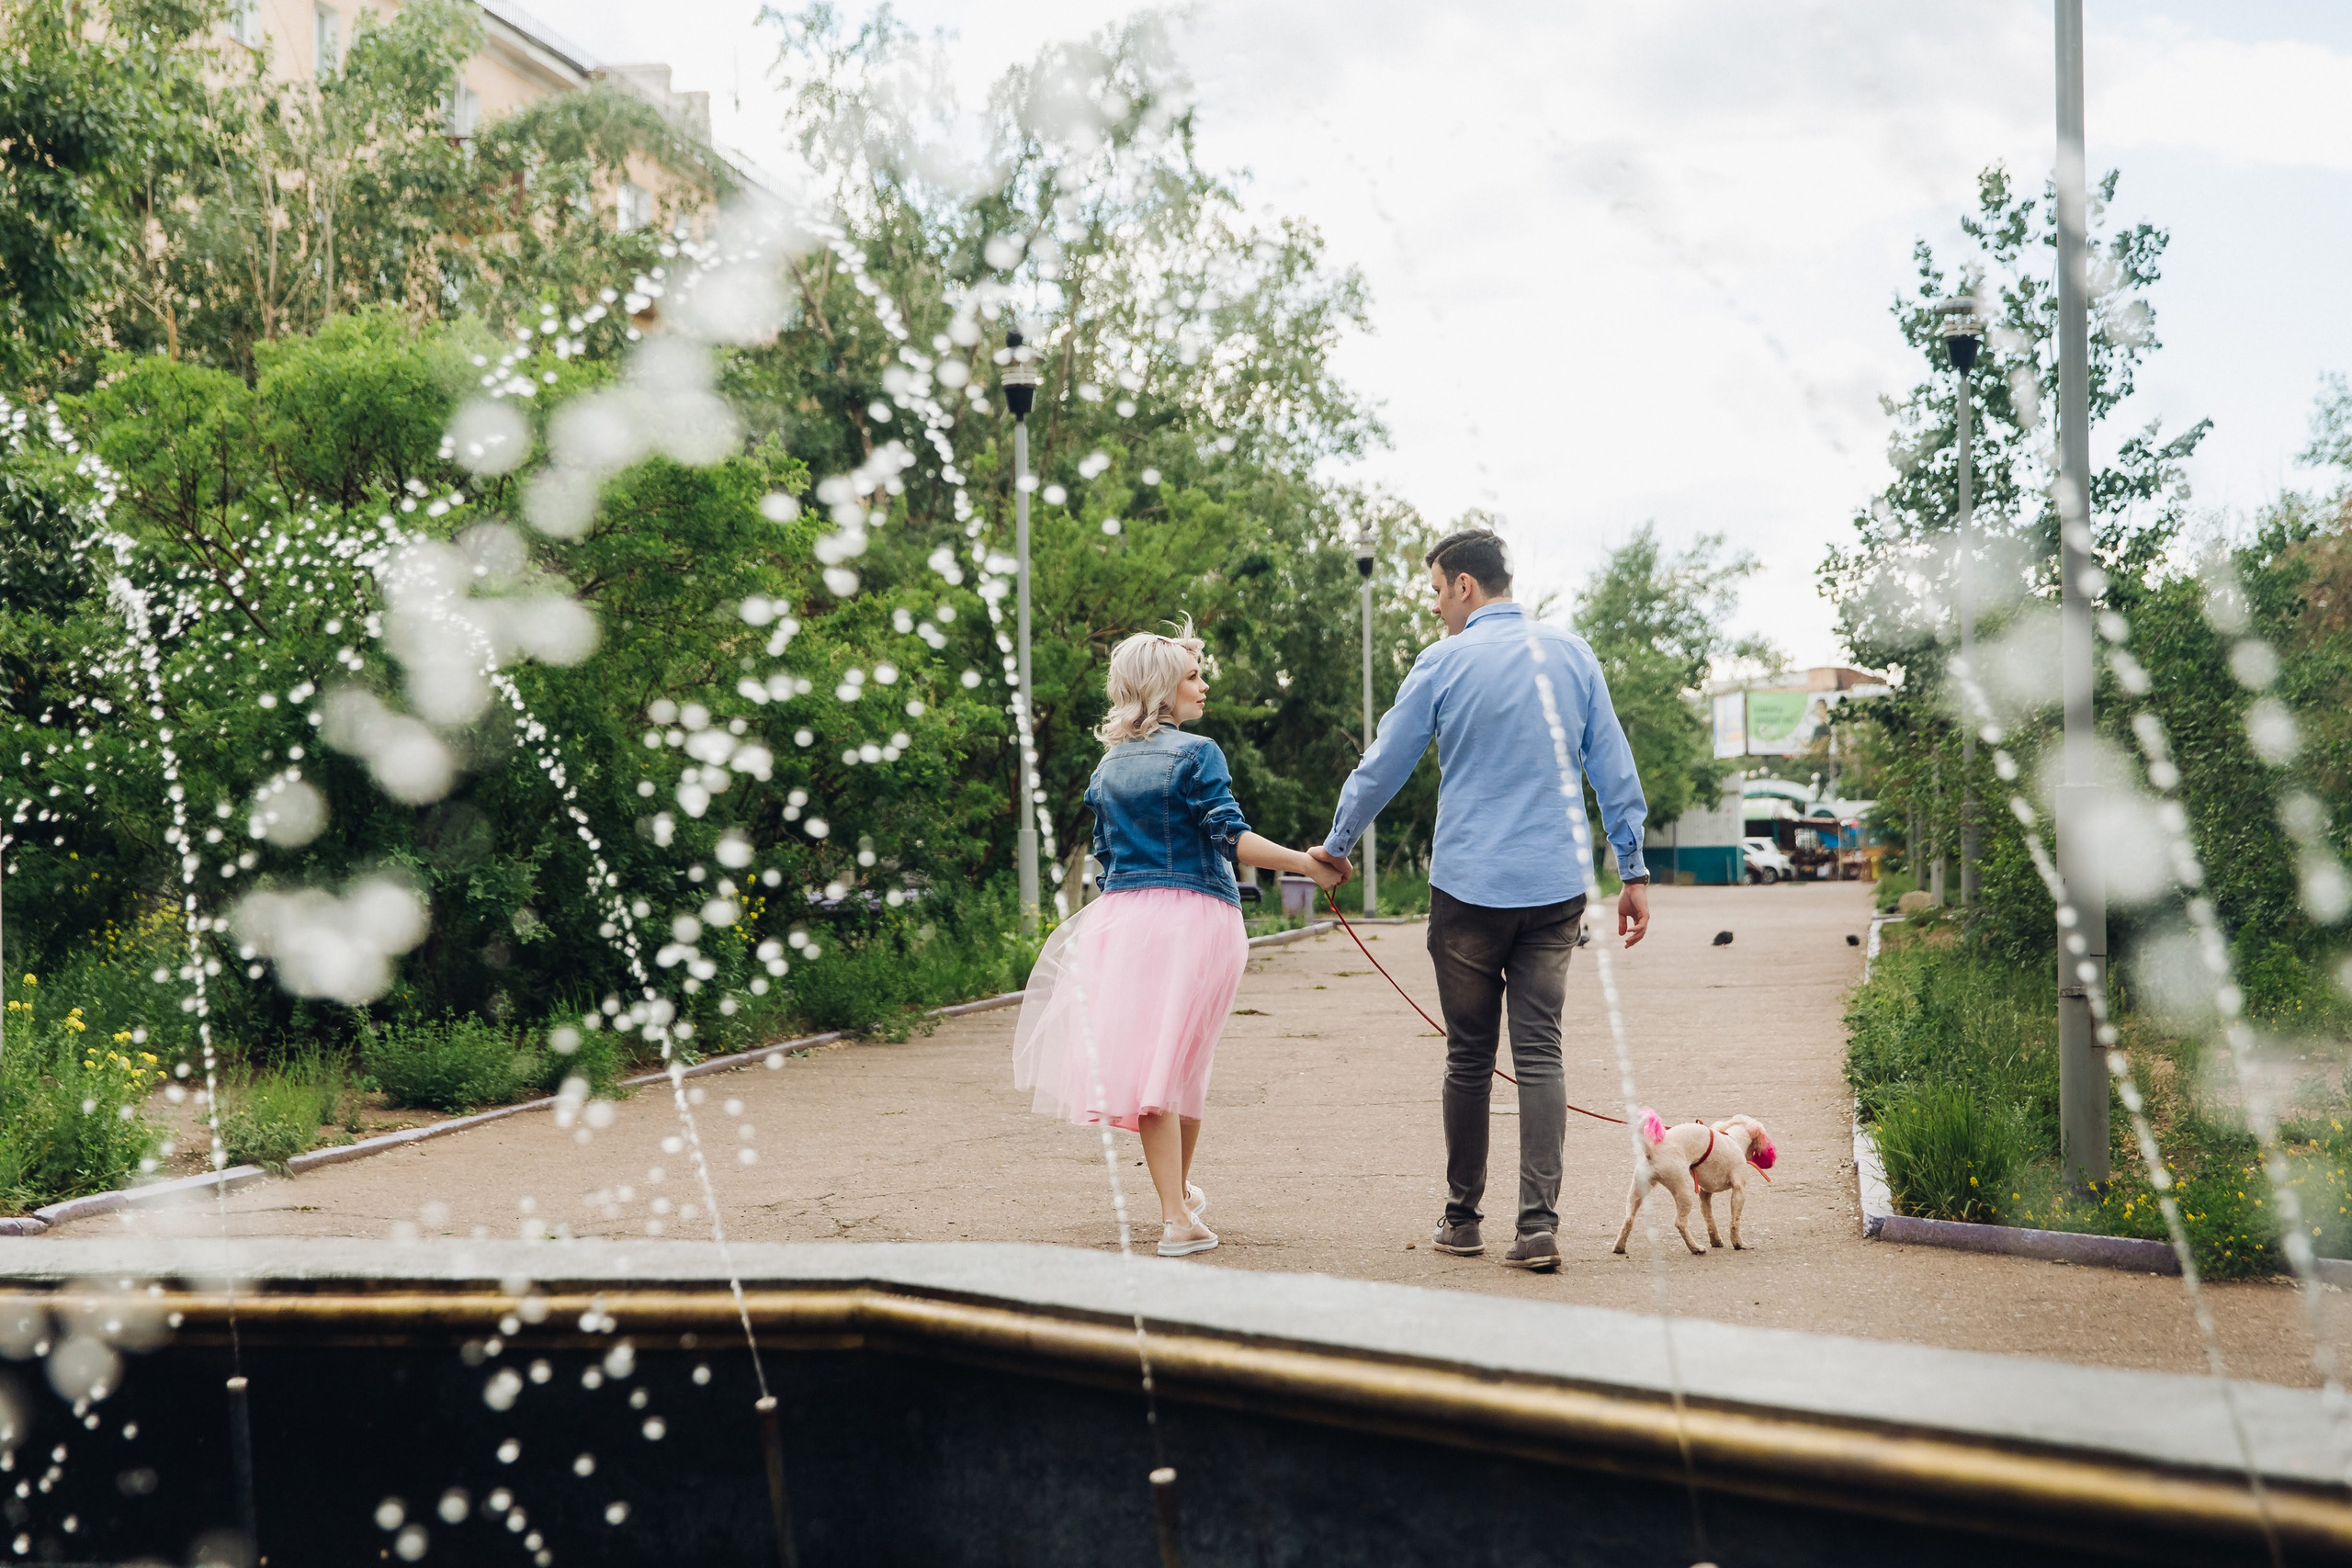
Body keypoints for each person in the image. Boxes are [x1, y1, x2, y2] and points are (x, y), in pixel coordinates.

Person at [1313, 529, 1651, 1273]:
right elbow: (1614, 770)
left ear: (1466, 585)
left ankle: (1462, 1218)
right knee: (1540, 1053)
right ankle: (1537, 1228)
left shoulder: (1442, 662)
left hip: (1466, 890)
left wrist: (1337, 845)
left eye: (1437, 590)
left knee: (1469, 1057)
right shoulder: (1572, 656)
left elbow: (1382, 765)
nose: (1436, 607)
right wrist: (1633, 870)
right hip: (1555, 887)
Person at [1015, 622, 1344, 1258]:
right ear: (1164, 688)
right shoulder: (1197, 752)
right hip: (1194, 917)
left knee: (1171, 1062)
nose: (1204, 684)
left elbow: (1108, 857)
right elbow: (1231, 836)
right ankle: (1174, 1219)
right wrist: (1306, 862)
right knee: (1175, 1066)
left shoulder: (1109, 764)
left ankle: (1180, 1192)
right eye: (1194, 675)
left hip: (1123, 919)